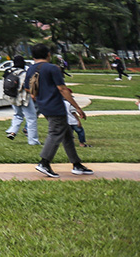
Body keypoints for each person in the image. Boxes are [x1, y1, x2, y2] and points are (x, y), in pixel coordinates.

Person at [27, 43, 92, 178]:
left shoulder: (31, 69)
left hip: (43, 105)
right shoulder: (52, 68)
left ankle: (76, 164)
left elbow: (30, 91)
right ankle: (44, 162)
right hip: (55, 106)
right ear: (48, 54)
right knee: (55, 133)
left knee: (67, 135)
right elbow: (63, 89)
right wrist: (77, 108)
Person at [4, 55, 39, 145]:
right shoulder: (24, 73)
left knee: (17, 115)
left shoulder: (8, 72)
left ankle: (12, 131)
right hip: (24, 98)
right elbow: (28, 86)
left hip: (12, 97)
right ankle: (33, 141)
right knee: (31, 118)